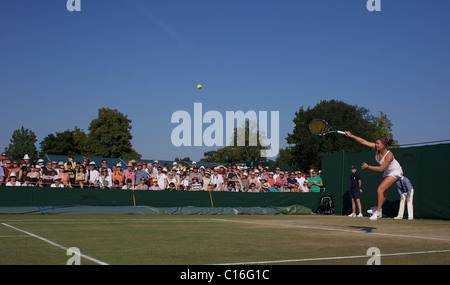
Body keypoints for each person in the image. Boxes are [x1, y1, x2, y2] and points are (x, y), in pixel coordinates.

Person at [346, 132, 403, 220]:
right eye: (375, 143)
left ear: (383, 145)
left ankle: (378, 211)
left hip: (395, 171)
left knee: (380, 189)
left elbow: (380, 169)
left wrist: (368, 167)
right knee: (383, 192)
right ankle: (378, 209)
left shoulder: (389, 155)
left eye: (378, 143)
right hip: (387, 171)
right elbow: (363, 141)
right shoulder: (376, 148)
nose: (376, 145)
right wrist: (351, 135)